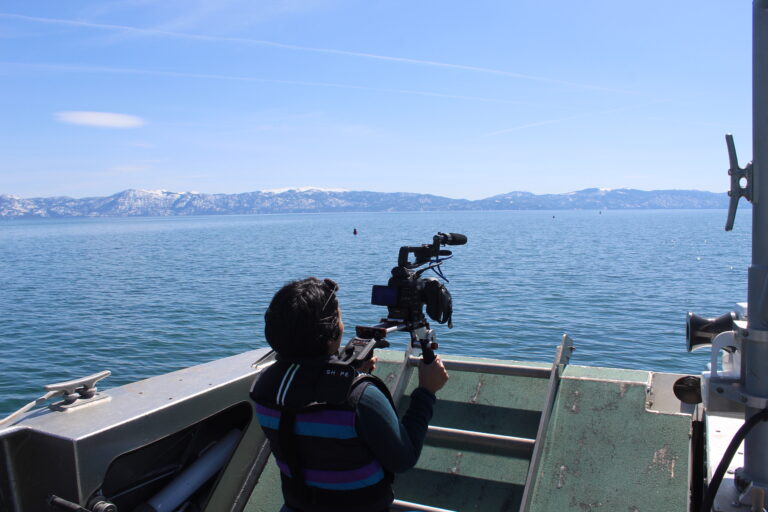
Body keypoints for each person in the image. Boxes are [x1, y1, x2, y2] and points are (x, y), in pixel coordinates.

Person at [250, 277, 449, 512]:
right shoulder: (360, 397)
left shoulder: (264, 385)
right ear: (332, 332)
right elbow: (403, 458)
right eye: (340, 317)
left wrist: (345, 373)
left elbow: (306, 400)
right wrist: (426, 390)